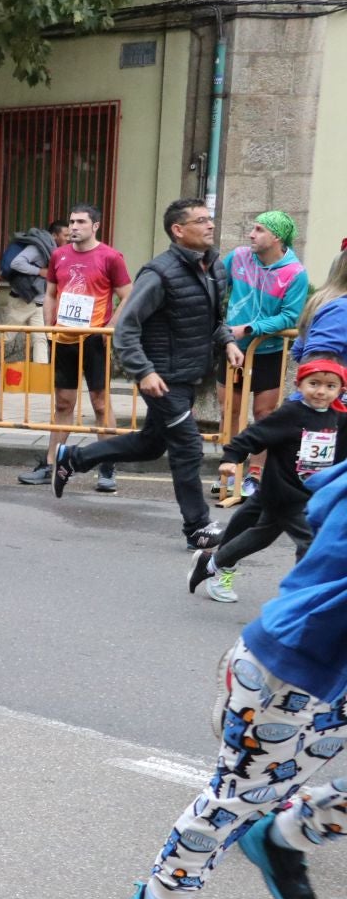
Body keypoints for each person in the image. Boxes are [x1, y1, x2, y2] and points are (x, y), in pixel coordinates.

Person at [121, 446, 347, 899]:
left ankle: (289, 830)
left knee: (262, 794)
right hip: (289, 666)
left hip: (330, 670)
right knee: (239, 795)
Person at [53, 199, 245, 549]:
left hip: (189, 375)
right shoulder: (159, 273)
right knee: (187, 446)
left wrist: (227, 341)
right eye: (200, 220)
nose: (209, 225)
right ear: (178, 230)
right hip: (161, 378)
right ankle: (197, 527)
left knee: (150, 444)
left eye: (209, 219)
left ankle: (74, 458)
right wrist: (143, 372)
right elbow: (126, 328)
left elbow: (211, 322)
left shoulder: (214, 267)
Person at [187, 358, 344, 602]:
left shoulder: (337, 417)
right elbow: (254, 435)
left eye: (330, 386)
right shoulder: (291, 413)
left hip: (303, 490)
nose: (321, 391)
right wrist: (231, 457)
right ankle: (299, 597)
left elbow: (339, 452)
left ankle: (213, 563)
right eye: (314, 384)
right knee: (310, 542)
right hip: (286, 493)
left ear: (340, 390)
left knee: (261, 533)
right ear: (298, 384)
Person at [18, 205, 132, 490]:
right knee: (63, 403)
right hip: (63, 338)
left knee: (101, 403)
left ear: (95, 226)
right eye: (71, 222)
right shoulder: (59, 255)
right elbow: (50, 293)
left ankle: (107, 467)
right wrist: (48, 328)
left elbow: (128, 295)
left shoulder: (110, 257)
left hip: (93, 339)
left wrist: (109, 328)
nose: (73, 227)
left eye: (81, 222)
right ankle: (50, 464)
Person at [222, 211, 310, 497]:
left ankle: (255, 475)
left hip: (267, 350)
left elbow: (289, 317)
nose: (251, 234)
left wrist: (249, 328)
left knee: (264, 414)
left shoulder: (295, 272)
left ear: (276, 237)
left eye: (259, 229)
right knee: (230, 412)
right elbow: (214, 288)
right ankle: (229, 471)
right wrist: (221, 327)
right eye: (253, 228)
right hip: (231, 347)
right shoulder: (238, 257)